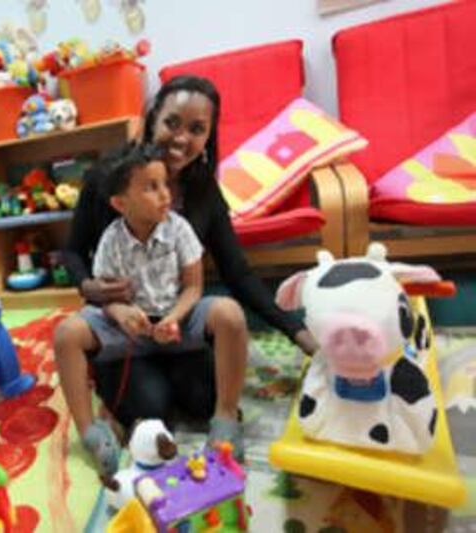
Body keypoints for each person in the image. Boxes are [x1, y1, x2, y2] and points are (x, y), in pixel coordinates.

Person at [55, 75, 319, 475]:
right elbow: (72, 252)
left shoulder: (203, 194)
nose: (181, 138)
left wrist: (296, 331)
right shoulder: (108, 179)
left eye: (197, 129)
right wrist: (93, 290)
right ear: (152, 118)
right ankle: (107, 416)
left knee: (203, 399)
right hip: (126, 324)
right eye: (172, 122)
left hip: (176, 322)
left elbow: (237, 274)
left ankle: (205, 403)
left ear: (208, 136)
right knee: (150, 408)